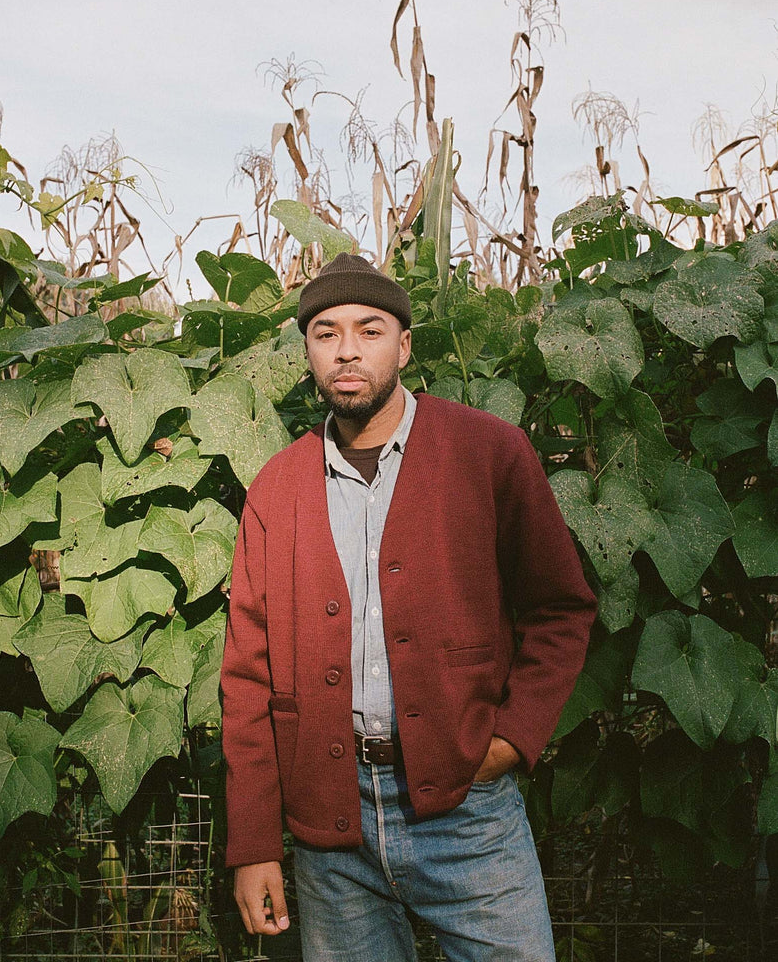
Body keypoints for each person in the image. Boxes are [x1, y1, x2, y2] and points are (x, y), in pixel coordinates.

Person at [221, 252, 597, 961]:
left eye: (368, 330)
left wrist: (511, 740)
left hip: (467, 809)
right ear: (307, 351)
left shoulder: (486, 452)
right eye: (325, 334)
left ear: (404, 345)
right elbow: (247, 674)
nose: (346, 351)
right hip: (329, 823)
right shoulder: (277, 486)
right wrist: (251, 845)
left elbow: (560, 608)